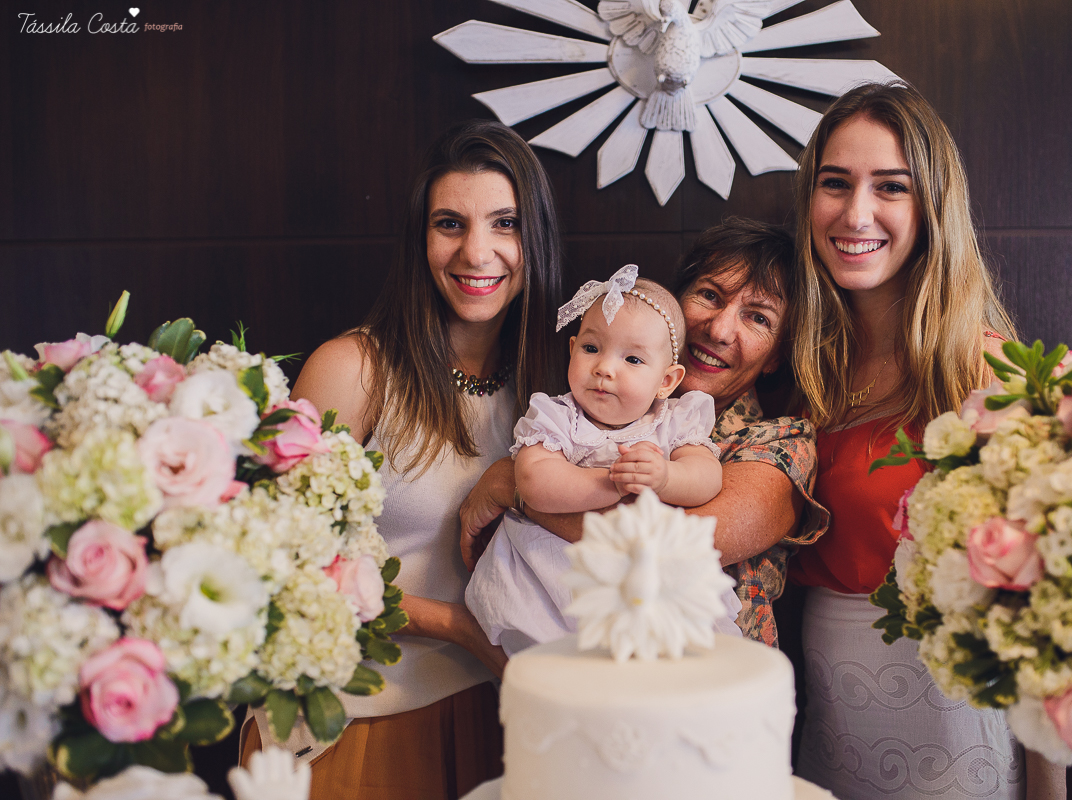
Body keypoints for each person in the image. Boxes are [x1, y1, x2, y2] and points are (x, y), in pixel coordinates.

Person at [240, 120, 564, 800]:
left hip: (498, 713)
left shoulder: (557, 382)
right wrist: (458, 628)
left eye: (504, 223)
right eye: (450, 223)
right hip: (355, 713)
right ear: (420, 241)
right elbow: (285, 565)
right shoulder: (354, 369)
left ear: (535, 239)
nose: (477, 251)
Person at [786, 82, 1066, 799]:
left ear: (931, 207)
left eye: (891, 188)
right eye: (836, 184)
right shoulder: (802, 369)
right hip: (824, 728)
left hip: (952, 736)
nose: (856, 214)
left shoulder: (985, 367)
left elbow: (1043, 615)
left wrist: (1049, 790)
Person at [460, 218, 829, 647]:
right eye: (709, 295)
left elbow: (672, 547)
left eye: (758, 318)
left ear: (776, 356)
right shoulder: (578, 402)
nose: (719, 329)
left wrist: (513, 484)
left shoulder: (781, 442)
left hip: (703, 682)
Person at [465, 265, 738, 655]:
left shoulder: (673, 421)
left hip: (644, 588)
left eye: (632, 360)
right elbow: (533, 482)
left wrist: (666, 477)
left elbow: (707, 476)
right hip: (551, 575)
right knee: (561, 661)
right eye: (591, 348)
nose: (604, 368)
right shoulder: (556, 416)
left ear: (667, 381)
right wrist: (609, 483)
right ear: (572, 347)